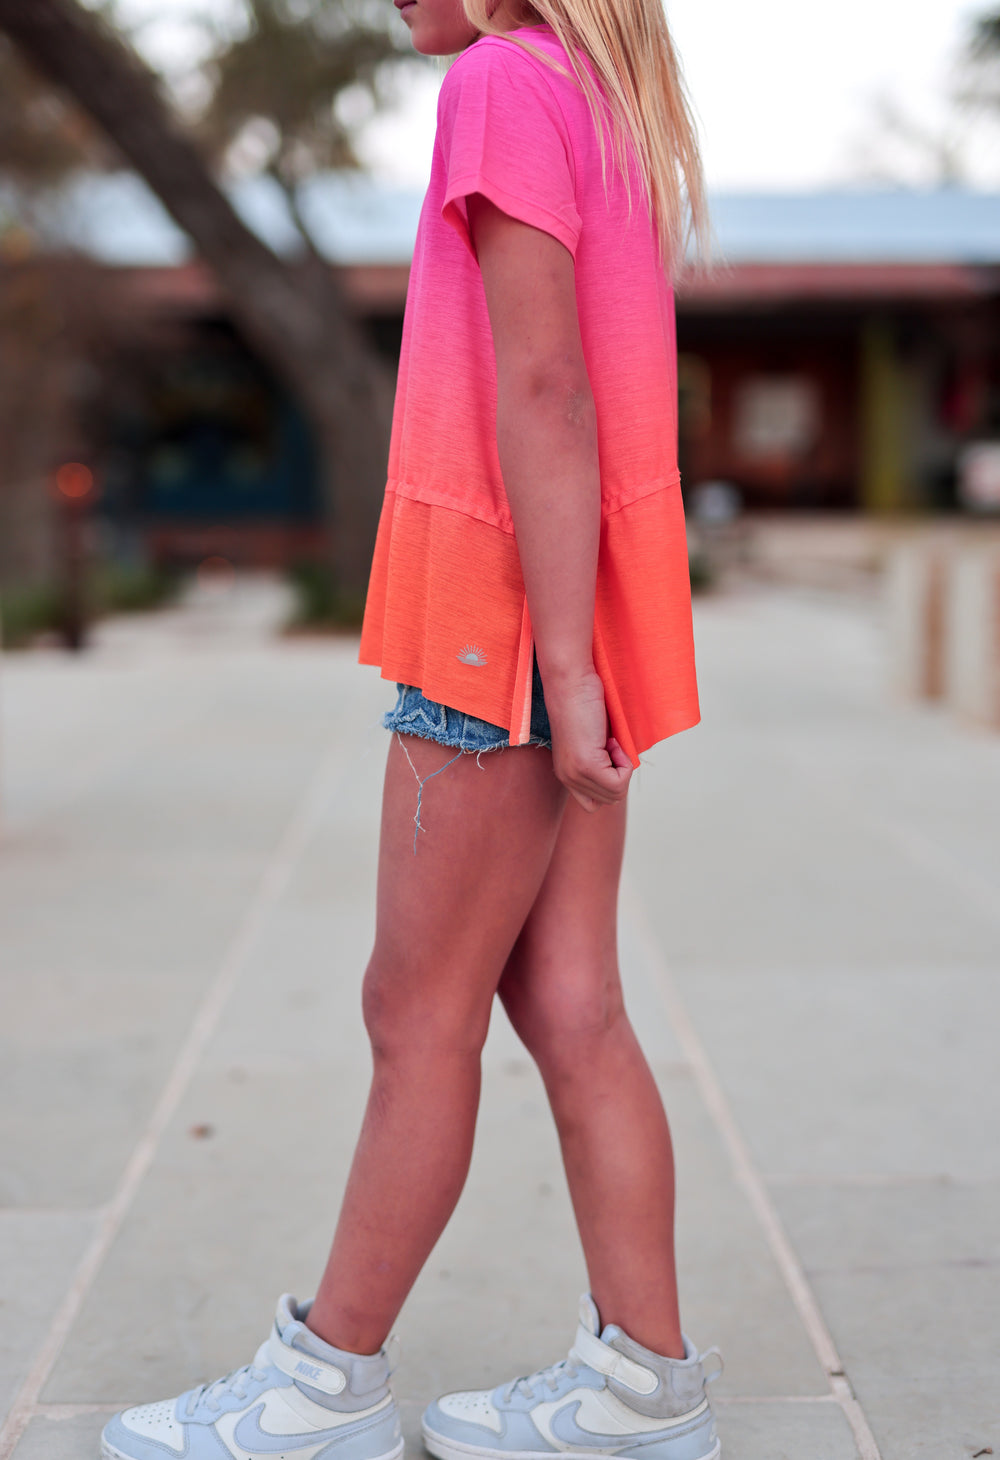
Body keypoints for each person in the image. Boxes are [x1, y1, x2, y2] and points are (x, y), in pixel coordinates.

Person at [100, 0, 721, 1457]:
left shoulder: (507, 79)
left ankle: (328, 1384)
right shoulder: (604, 93)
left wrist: (552, 671)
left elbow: (545, 387)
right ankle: (647, 1387)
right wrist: (586, 667)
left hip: (500, 624)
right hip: (580, 620)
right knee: (574, 1007)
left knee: (414, 1015)